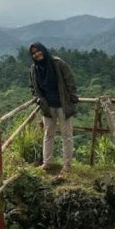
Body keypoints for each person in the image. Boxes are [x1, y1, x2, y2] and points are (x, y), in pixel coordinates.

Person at [28, 42, 79, 175]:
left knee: (66, 135)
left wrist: (72, 98)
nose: (37, 54)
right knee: (48, 134)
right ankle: (47, 163)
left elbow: (70, 80)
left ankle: (67, 165)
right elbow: (33, 88)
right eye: (33, 53)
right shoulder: (34, 69)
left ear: (43, 50)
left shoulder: (57, 63)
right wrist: (39, 99)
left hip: (63, 104)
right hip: (47, 107)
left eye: (38, 51)